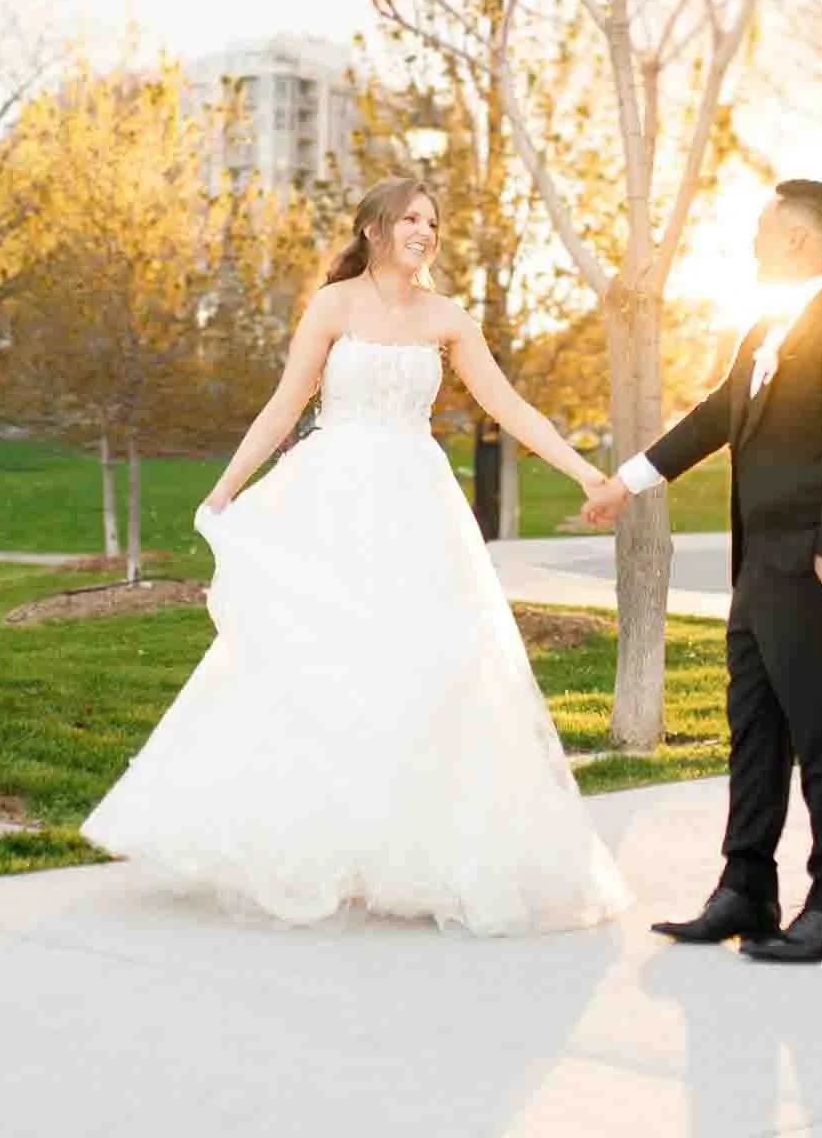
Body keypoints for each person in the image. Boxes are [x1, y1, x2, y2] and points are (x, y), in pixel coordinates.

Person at [82, 177, 631, 935]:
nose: (424, 231)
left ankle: (403, 856)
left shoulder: (449, 318)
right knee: (322, 659)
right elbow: (285, 402)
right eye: (409, 218)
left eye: (432, 221)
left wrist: (586, 472)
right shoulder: (334, 304)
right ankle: (313, 848)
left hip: (415, 504)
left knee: (424, 666)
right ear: (373, 227)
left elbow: (508, 406)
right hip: (334, 496)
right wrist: (226, 489)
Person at [581, 180, 822, 964]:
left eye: (763, 228)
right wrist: (628, 481)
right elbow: (717, 418)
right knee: (754, 730)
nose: (752, 241)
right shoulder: (763, 328)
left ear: (799, 238)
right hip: (761, 567)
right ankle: (745, 889)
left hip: (815, 568)